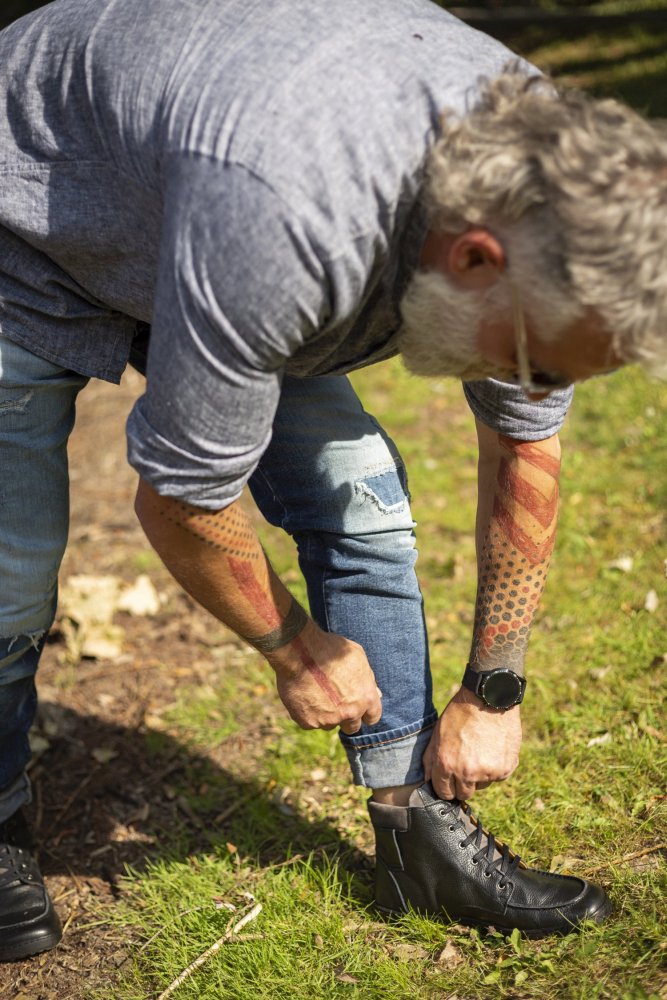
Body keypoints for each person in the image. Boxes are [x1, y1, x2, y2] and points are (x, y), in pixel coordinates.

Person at [0, 0, 665, 963]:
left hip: (199, 197)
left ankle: (417, 836)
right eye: (537, 363)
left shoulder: (548, 170)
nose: (535, 396)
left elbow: (522, 449)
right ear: (476, 260)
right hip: (32, 208)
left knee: (361, 495)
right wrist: (295, 648)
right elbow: (183, 493)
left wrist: (494, 690)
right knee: (10, 575)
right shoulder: (289, 218)